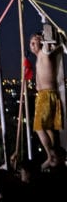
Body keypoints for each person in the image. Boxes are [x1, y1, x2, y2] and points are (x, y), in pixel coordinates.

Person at [29, 31, 65, 169]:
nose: (32, 46)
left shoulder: (44, 51)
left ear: (40, 40)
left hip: (46, 94)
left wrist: (45, 36)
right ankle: (53, 154)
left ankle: (50, 156)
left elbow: (48, 45)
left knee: (39, 127)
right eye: (30, 43)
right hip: (47, 94)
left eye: (34, 42)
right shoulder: (40, 56)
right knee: (49, 127)